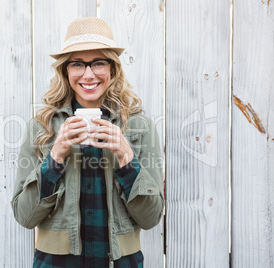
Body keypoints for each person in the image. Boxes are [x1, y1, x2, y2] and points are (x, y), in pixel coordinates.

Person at [12, 17, 164, 268]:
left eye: (98, 63)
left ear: (112, 69)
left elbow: (151, 218)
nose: (88, 74)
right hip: (55, 263)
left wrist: (126, 157)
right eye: (78, 64)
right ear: (66, 71)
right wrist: (55, 157)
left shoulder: (140, 128)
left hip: (120, 262)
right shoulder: (41, 128)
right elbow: (25, 216)